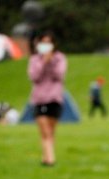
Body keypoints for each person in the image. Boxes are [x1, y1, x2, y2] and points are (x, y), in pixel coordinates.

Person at [27, 31, 67, 166]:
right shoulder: (34, 60)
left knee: (50, 131)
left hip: (54, 97)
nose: (46, 45)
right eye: (43, 42)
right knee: (45, 131)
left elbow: (59, 75)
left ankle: (46, 157)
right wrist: (44, 62)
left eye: (48, 42)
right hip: (39, 98)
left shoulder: (60, 58)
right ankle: (51, 159)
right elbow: (34, 77)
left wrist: (51, 62)